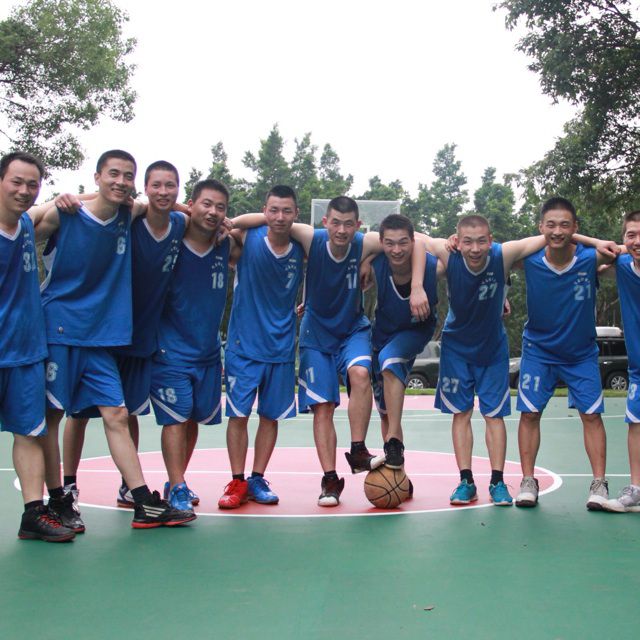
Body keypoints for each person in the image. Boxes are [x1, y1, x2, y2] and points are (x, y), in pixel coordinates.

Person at [32, 149, 195, 530]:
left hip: (99, 337)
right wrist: (59, 198)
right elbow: (25, 224)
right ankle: (59, 498)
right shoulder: (66, 213)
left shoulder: (129, 212)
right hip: (60, 329)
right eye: (113, 174)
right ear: (97, 176)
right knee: (53, 417)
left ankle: (142, 501)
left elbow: (160, 203)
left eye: (127, 176)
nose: (121, 182)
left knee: (117, 414)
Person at [233, 196, 386, 506]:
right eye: (335, 223)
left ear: (357, 225)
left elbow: (407, 238)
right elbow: (270, 220)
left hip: (352, 328)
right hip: (315, 333)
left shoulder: (365, 242)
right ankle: (330, 479)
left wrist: (369, 260)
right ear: (324, 222)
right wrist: (230, 222)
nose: (341, 230)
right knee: (323, 407)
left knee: (360, 374)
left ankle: (358, 450)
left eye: (348, 224)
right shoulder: (309, 237)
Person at [422, 215, 547, 506]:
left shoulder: (502, 255)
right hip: (456, 347)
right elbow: (415, 238)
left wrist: (586, 239)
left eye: (481, 241)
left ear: (490, 240)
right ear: (458, 241)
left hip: (492, 348)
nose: (475, 248)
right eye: (468, 241)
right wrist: (417, 282)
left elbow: (548, 237)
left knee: (494, 415)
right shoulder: (448, 254)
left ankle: (497, 482)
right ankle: (466, 481)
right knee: (461, 413)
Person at [515, 197, 614, 510]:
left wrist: (586, 240)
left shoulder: (590, 258)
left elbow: (619, 249)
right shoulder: (529, 260)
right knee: (530, 414)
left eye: (565, 225)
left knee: (592, 415)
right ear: (540, 227)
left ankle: (599, 484)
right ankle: (528, 481)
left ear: (575, 228)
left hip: (580, 353)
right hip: (538, 351)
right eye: (551, 225)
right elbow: (490, 254)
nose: (557, 231)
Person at [150, 179, 240, 511]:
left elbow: (265, 224)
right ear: (191, 205)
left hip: (207, 351)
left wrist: (230, 224)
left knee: (191, 420)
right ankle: (177, 486)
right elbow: (145, 205)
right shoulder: (172, 236)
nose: (213, 212)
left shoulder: (226, 244)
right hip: (170, 350)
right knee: (176, 418)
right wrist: (183, 210)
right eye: (206, 204)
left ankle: (177, 481)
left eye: (220, 207)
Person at [0, 151, 75, 541]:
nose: (24, 190)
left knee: (30, 433)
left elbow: (48, 209)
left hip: (27, 352)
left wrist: (66, 197)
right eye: (16, 181)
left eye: (33, 184)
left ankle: (33, 513)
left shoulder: (27, 226)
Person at [217, 185, 304, 509]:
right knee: (238, 416)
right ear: (264, 211)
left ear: (295, 214)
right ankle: (237, 480)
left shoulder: (301, 247)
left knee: (270, 417)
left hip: (281, 348)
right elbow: (228, 225)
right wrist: (241, 220)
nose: (279, 217)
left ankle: (257, 478)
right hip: (243, 346)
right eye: (273, 210)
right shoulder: (246, 239)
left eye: (286, 211)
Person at [368, 214, 441, 470]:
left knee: (390, 361)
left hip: (415, 330)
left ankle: (393, 442)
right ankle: (395, 468)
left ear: (412, 241)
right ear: (381, 243)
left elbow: (465, 266)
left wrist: (502, 296)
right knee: (385, 411)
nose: (396, 250)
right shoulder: (375, 264)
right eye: (389, 243)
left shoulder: (432, 266)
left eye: (403, 242)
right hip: (382, 333)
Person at [592, 211, 640, 512]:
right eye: (631, 235)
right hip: (638, 367)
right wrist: (614, 248)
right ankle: (636, 489)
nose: (637, 241)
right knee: (636, 423)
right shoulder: (623, 266)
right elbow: (591, 258)